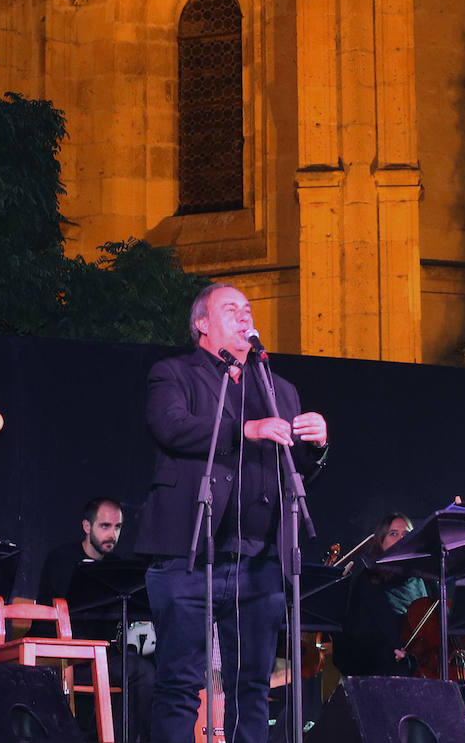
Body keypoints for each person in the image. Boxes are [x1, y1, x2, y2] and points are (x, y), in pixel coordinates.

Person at [133, 283, 328, 743]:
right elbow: (172, 427)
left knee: (252, 687)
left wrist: (317, 445)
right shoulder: (174, 373)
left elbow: (298, 468)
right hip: (189, 555)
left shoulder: (278, 388)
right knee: (180, 684)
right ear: (202, 324)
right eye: (230, 309)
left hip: (258, 561)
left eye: (248, 309)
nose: (244, 316)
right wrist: (248, 429)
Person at [36, 497, 155, 741]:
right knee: (138, 671)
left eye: (118, 527)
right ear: (87, 526)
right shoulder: (61, 559)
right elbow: (58, 612)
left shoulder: (118, 567)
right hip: (60, 657)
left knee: (148, 668)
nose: (112, 534)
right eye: (105, 526)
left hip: (101, 658)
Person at [334, 513, 430, 677]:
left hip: (420, 668)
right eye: (393, 534)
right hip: (379, 670)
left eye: (406, 535)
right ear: (381, 542)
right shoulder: (368, 580)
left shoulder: (421, 581)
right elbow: (358, 637)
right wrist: (393, 652)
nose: (401, 539)